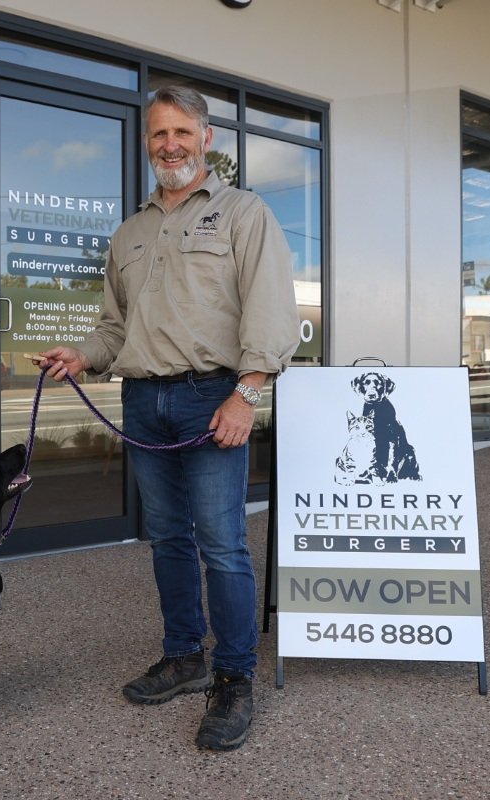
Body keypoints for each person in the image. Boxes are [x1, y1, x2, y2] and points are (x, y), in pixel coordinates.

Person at [38, 85, 300, 752]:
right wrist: (83, 354)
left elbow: (270, 314)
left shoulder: (245, 214)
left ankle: (234, 676)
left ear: (206, 138)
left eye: (182, 131)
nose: (170, 144)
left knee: (222, 543)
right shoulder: (129, 232)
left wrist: (247, 395)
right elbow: (114, 326)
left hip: (212, 399)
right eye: (159, 134)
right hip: (143, 401)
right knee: (168, 538)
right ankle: (185, 656)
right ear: (148, 142)